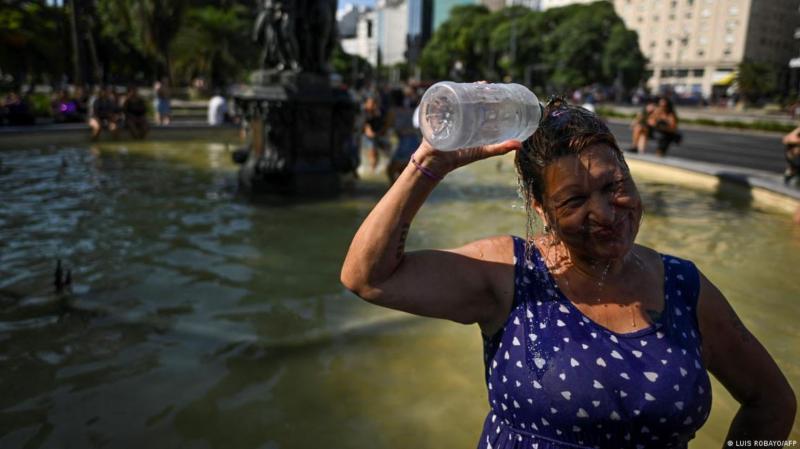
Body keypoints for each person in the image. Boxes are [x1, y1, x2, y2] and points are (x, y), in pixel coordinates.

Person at [340, 97, 795, 448]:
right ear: (540, 208)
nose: (605, 213)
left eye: (614, 186)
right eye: (574, 201)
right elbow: (369, 276)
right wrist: (432, 162)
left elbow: (772, 403)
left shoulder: (683, 286)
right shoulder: (510, 273)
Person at [385, 87, 421, 184]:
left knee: (390, 171)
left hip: (404, 142)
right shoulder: (409, 110)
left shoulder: (392, 111)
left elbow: (387, 129)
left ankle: (395, 193)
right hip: (415, 141)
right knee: (404, 172)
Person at [362, 95, 391, 173]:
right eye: (370, 103)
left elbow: (386, 123)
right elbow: (366, 127)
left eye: (374, 103)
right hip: (369, 136)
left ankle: (379, 167)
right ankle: (373, 169)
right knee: (373, 152)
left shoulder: (380, 111)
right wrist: (372, 134)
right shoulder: (365, 112)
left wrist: (382, 132)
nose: (372, 105)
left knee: (386, 150)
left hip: (380, 134)